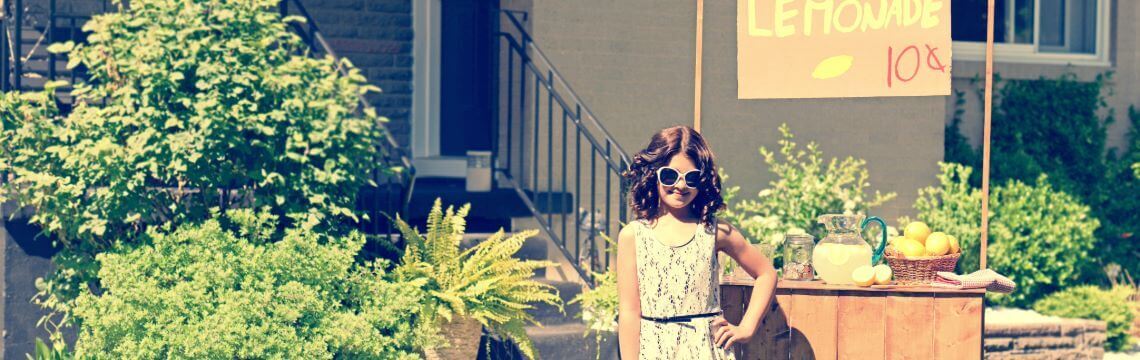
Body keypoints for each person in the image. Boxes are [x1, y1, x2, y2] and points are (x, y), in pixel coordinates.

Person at [616, 125, 778, 359]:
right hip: (654, 351)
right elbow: (629, 312)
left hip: (707, 350)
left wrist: (746, 328)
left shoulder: (715, 231)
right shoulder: (633, 235)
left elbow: (766, 273)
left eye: (691, 178)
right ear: (654, 175)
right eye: (670, 175)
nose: (681, 185)